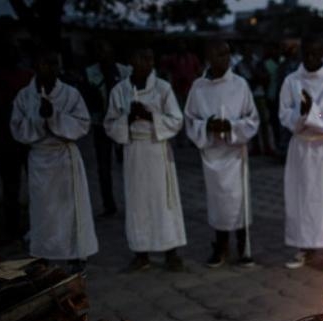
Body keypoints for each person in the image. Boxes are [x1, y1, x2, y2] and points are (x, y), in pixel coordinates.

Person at [11, 49, 97, 269]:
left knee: (70, 209)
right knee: (43, 211)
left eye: (54, 63)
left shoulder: (70, 94)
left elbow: (83, 123)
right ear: (36, 65)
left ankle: (75, 254)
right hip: (40, 159)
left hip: (64, 156)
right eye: (45, 63)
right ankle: (43, 253)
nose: (50, 68)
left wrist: (55, 117)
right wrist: (39, 118)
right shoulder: (24, 96)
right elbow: (17, 127)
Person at [104, 47, 187, 272]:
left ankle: (171, 252)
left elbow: (176, 120)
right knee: (137, 201)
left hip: (157, 149)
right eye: (142, 58)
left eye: (151, 58)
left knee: (164, 200)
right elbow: (109, 124)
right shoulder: (120, 90)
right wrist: (128, 118)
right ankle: (141, 253)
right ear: (132, 60)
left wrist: (150, 116)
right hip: (134, 151)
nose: (148, 63)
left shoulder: (162, 88)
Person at [185, 40, 260, 268]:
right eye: (219, 54)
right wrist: (207, 126)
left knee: (239, 200)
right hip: (212, 153)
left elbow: (252, 119)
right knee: (218, 202)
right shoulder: (198, 87)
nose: (225, 58)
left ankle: (243, 247)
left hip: (235, 152)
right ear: (208, 57)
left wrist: (231, 127)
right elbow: (190, 119)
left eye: (227, 53)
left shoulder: (240, 84)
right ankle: (220, 246)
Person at [280, 35, 323, 269]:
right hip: (301, 145)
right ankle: (304, 246)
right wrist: (302, 114)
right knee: (302, 198)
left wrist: (313, 111)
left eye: (315, 52)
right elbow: (284, 114)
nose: (310, 57)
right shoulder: (291, 80)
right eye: (306, 52)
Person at [0, 43, 33, 240]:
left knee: (12, 187)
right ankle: (22, 225)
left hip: (14, 141)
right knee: (19, 186)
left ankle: (14, 226)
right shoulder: (25, 78)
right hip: (17, 141)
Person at [85, 41, 131, 217]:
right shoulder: (91, 72)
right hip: (101, 124)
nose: (103, 55)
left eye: (105, 51)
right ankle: (109, 204)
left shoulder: (124, 71)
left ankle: (133, 200)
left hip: (122, 123)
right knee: (104, 167)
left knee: (128, 164)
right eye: (99, 51)